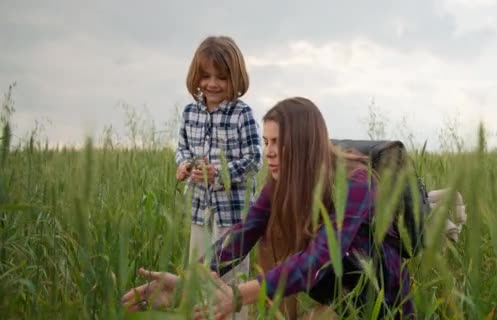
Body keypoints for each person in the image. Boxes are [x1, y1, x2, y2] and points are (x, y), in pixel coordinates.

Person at [123, 97, 415, 319]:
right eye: (265, 141)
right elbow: (243, 233)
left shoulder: (355, 182)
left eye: (278, 141)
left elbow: (320, 258)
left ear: (303, 143)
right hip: (335, 296)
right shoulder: (281, 180)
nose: (269, 151)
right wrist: (187, 283)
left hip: (382, 300)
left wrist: (238, 295)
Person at [174, 35, 262, 319]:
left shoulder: (242, 114)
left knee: (231, 279)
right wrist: (185, 165)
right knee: (199, 273)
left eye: (221, 77)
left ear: (235, 77)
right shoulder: (190, 113)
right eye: (206, 76)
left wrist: (222, 172)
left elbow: (254, 159)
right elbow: (183, 148)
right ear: (195, 77)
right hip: (201, 210)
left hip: (232, 216)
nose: (212, 84)